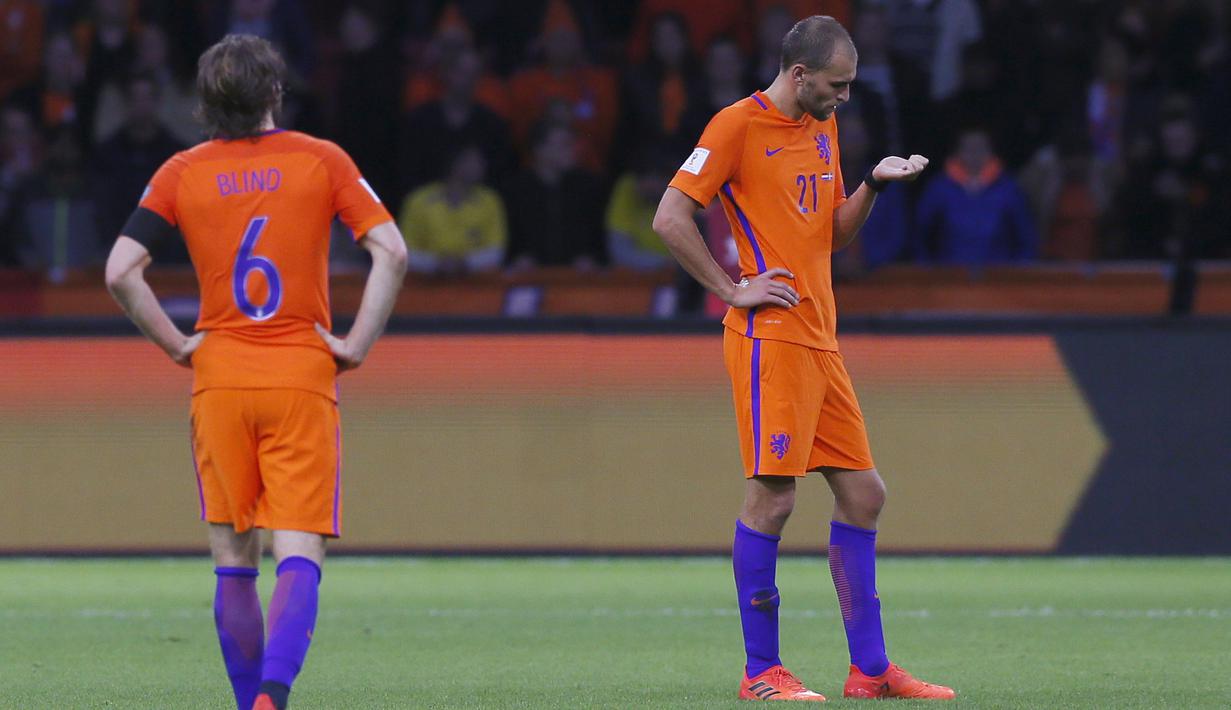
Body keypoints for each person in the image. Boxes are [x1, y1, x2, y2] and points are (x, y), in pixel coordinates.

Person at [652, 15, 954, 702]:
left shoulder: (822, 125)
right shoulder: (733, 127)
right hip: (771, 341)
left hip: (821, 336)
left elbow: (830, 235)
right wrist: (732, 289)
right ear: (798, 75)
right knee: (773, 495)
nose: (844, 98)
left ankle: (869, 672)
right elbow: (669, 217)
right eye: (836, 86)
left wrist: (872, 185)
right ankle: (760, 672)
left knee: (863, 493)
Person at [103, 34, 407, 710]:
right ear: (275, 92)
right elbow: (391, 250)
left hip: (220, 378)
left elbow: (120, 269)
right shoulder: (321, 160)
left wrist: (179, 346)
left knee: (233, 561)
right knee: (297, 555)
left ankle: (248, 705)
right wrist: (355, 341)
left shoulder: (180, 171)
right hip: (301, 373)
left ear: (204, 105)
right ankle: (274, 695)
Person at [914, 127, 1037, 265]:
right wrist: (927, 272)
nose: (975, 154)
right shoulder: (939, 188)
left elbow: (1027, 238)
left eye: (980, 148)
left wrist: (1017, 274)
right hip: (949, 276)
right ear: (957, 151)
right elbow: (919, 235)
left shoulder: (1009, 189)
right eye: (968, 148)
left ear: (991, 151)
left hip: (999, 277)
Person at [398, 144, 507, 275]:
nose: (482, 165)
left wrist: (464, 263)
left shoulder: (490, 201)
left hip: (477, 287)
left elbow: (496, 251)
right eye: (473, 160)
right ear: (455, 164)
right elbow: (405, 251)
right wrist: (436, 264)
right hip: (424, 287)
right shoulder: (418, 201)